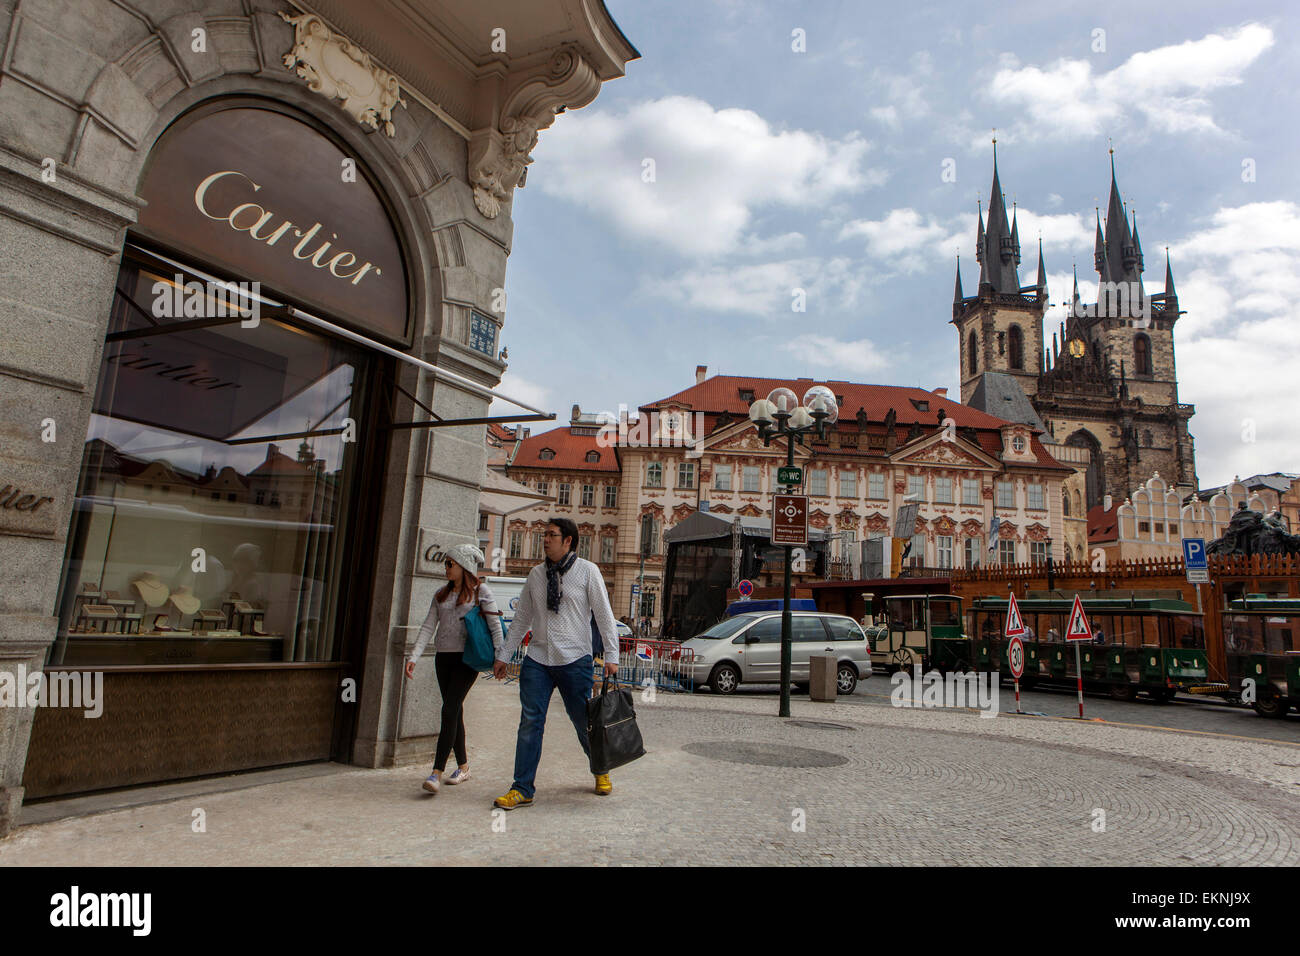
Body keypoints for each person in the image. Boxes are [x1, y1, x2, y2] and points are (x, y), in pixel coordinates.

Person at [491, 518, 620, 810]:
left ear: (568, 541)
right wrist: (504, 655)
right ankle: (522, 788)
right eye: (544, 534)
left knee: (583, 723)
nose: (545, 539)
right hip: (538, 660)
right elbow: (522, 618)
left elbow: (604, 616)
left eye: (551, 535)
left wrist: (612, 656)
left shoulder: (588, 572)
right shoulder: (536, 575)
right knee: (530, 722)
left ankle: (600, 768)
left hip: (575, 660)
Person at [404, 544, 503, 795]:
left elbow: (495, 627)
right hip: (443, 659)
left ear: (464, 567)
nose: (446, 568)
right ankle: (464, 767)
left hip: (467, 660)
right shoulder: (441, 594)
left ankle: (436, 772)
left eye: (450, 564)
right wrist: (414, 656)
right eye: (446, 564)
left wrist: (501, 658)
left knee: (448, 710)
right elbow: (428, 627)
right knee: (454, 711)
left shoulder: (482, 592)